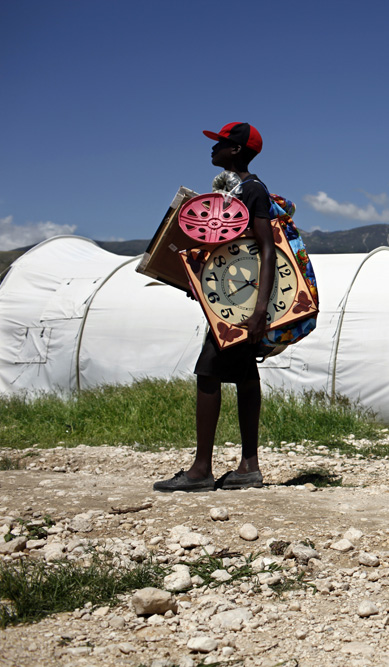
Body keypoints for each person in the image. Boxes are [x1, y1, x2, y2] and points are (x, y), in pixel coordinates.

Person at [154, 122, 275, 492]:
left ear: (236, 150)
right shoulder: (233, 192)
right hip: (233, 303)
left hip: (244, 306)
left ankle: (202, 470)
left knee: (209, 371)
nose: (213, 148)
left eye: (221, 143)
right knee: (242, 375)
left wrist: (257, 311)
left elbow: (266, 249)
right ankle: (246, 466)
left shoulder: (252, 191)